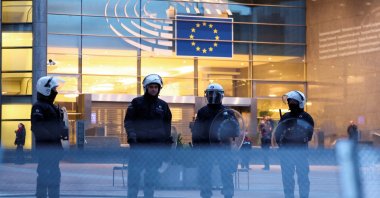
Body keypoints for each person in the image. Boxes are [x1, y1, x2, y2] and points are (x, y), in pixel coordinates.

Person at [124, 74, 172, 198]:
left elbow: (167, 126)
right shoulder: (136, 102)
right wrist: (132, 137)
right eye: (151, 86)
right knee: (134, 175)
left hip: (156, 149)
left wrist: (167, 143)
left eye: (156, 87)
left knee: (151, 177)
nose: (153, 89)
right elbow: (128, 122)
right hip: (138, 146)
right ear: (146, 87)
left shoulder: (163, 105)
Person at [192, 83, 238, 198]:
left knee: (226, 172)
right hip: (205, 148)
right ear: (206, 95)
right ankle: (206, 194)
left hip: (223, 148)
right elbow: (196, 131)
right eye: (210, 94)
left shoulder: (227, 112)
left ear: (220, 95)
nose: (212, 96)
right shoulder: (202, 112)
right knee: (205, 173)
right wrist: (197, 146)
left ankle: (228, 194)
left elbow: (236, 131)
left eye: (215, 94)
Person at [31, 76, 68, 198]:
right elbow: (37, 127)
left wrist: (61, 131)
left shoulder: (52, 106)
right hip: (45, 149)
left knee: (54, 175)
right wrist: (53, 136)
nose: (55, 91)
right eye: (53, 89)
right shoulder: (39, 107)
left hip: (54, 149)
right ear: (46, 90)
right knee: (44, 175)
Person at [275, 90, 314, 198]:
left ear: (300, 102)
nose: (290, 103)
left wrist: (295, 130)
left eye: (293, 101)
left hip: (301, 153)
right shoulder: (285, 117)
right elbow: (277, 134)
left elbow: (308, 136)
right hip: (286, 153)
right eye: (289, 101)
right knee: (287, 178)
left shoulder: (306, 117)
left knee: (303, 177)